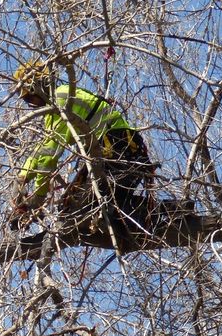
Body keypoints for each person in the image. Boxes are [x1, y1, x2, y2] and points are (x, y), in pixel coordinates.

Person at [8, 59, 153, 232]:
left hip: (117, 147)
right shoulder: (59, 101)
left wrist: (38, 197)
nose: (31, 104)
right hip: (121, 148)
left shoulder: (61, 101)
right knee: (95, 208)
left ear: (39, 86)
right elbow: (42, 150)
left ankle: (160, 219)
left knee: (77, 210)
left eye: (30, 97)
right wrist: (22, 177)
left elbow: (48, 156)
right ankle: (154, 216)